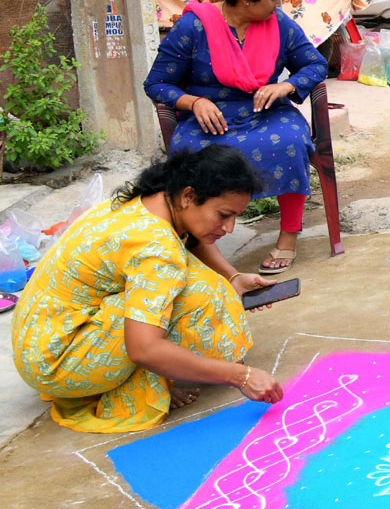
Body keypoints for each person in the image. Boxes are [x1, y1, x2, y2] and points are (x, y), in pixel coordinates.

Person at [13, 146, 284, 433]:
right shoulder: (156, 250)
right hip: (58, 363)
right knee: (193, 297)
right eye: (223, 215)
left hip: (38, 338)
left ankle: (158, 367)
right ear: (189, 196)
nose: (229, 228)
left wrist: (232, 277)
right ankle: (148, 381)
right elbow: (143, 348)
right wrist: (240, 376)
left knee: (201, 283)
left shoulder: (147, 202)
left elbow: (191, 237)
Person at [145, 0, 328, 275]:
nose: (278, 4)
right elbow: (157, 83)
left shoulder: (279, 24)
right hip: (208, 118)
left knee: (290, 141)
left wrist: (285, 86)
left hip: (267, 112)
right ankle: (204, 246)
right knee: (193, 156)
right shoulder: (194, 27)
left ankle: (288, 237)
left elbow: (314, 65)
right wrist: (194, 102)